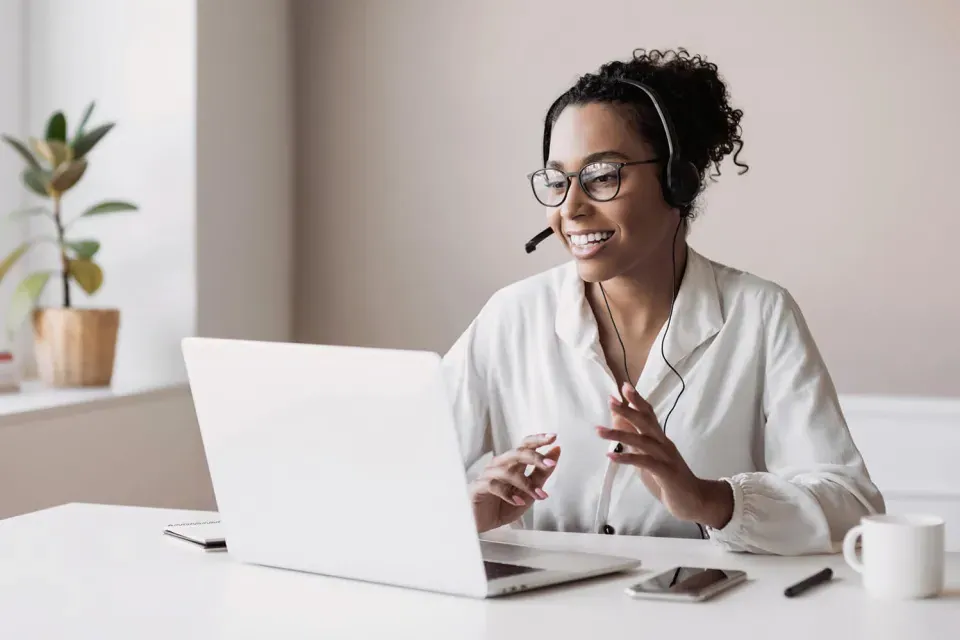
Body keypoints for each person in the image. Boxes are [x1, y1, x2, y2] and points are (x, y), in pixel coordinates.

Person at [441, 48, 885, 556]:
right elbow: (397, 481)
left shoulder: (759, 315)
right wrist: (465, 510)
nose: (570, 209)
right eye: (559, 181)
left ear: (678, 180)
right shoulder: (511, 317)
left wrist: (710, 499)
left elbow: (853, 509)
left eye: (602, 176)